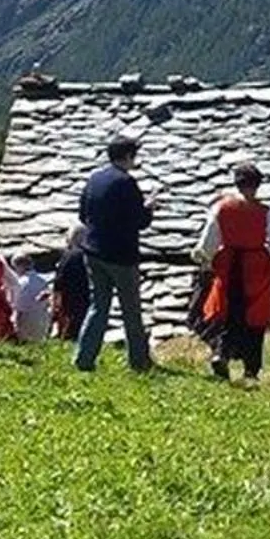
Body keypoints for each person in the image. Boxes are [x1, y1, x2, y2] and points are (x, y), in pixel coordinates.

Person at [197, 160, 270, 380]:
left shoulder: (221, 207)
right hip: (256, 266)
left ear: (236, 184)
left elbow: (208, 242)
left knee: (227, 311)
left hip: (229, 264)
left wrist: (207, 259)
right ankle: (251, 368)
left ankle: (222, 353)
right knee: (255, 315)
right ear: (257, 185)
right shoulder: (266, 213)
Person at [74, 134, 154, 372]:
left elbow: (82, 215)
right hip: (121, 256)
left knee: (99, 306)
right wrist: (149, 208)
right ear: (128, 156)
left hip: (93, 251)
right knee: (131, 309)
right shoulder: (126, 183)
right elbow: (140, 221)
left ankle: (84, 358)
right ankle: (139, 362)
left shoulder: (95, 178)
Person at [51, 225, 93, 341]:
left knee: (70, 327)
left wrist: (55, 299)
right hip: (86, 295)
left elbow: (59, 280)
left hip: (70, 297)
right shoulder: (91, 255)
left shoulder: (69, 256)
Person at [7, 250, 52, 343]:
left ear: (18, 267)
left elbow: (18, 309)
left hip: (26, 326)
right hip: (42, 324)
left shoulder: (20, 283)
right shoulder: (43, 281)